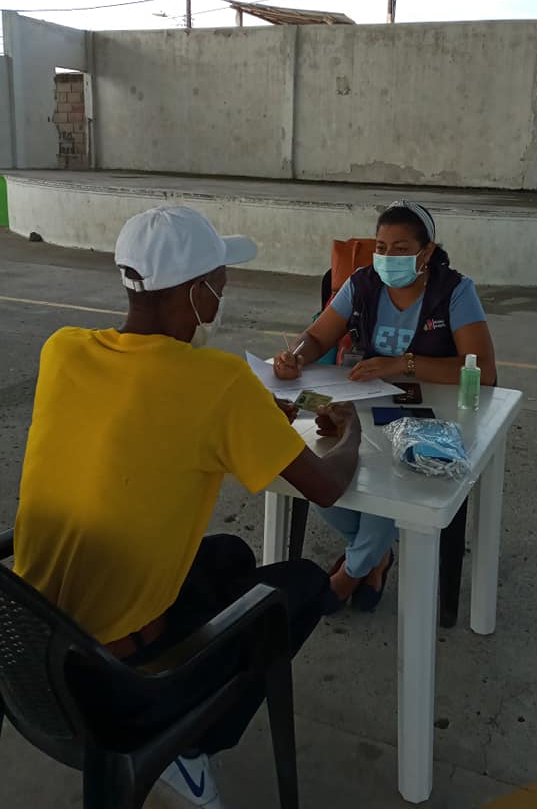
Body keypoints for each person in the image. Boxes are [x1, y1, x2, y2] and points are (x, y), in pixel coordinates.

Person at [13, 205, 361, 809]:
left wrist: (255, 421)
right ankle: (187, 744)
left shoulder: (62, 349)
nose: (223, 299)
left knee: (229, 556)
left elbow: (145, 421)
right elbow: (328, 486)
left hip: (30, 650)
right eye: (219, 285)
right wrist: (351, 430)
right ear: (196, 293)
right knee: (301, 585)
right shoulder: (218, 382)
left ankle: (180, 723)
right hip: (119, 692)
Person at [274, 200, 496, 612]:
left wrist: (403, 364)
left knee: (393, 476)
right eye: (381, 247)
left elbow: (482, 369)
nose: (387, 257)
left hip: (431, 417)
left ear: (427, 252)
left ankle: (350, 573)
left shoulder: (454, 291)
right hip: (365, 404)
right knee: (317, 465)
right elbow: (317, 336)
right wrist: (297, 356)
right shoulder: (362, 284)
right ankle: (376, 556)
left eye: (401, 248)